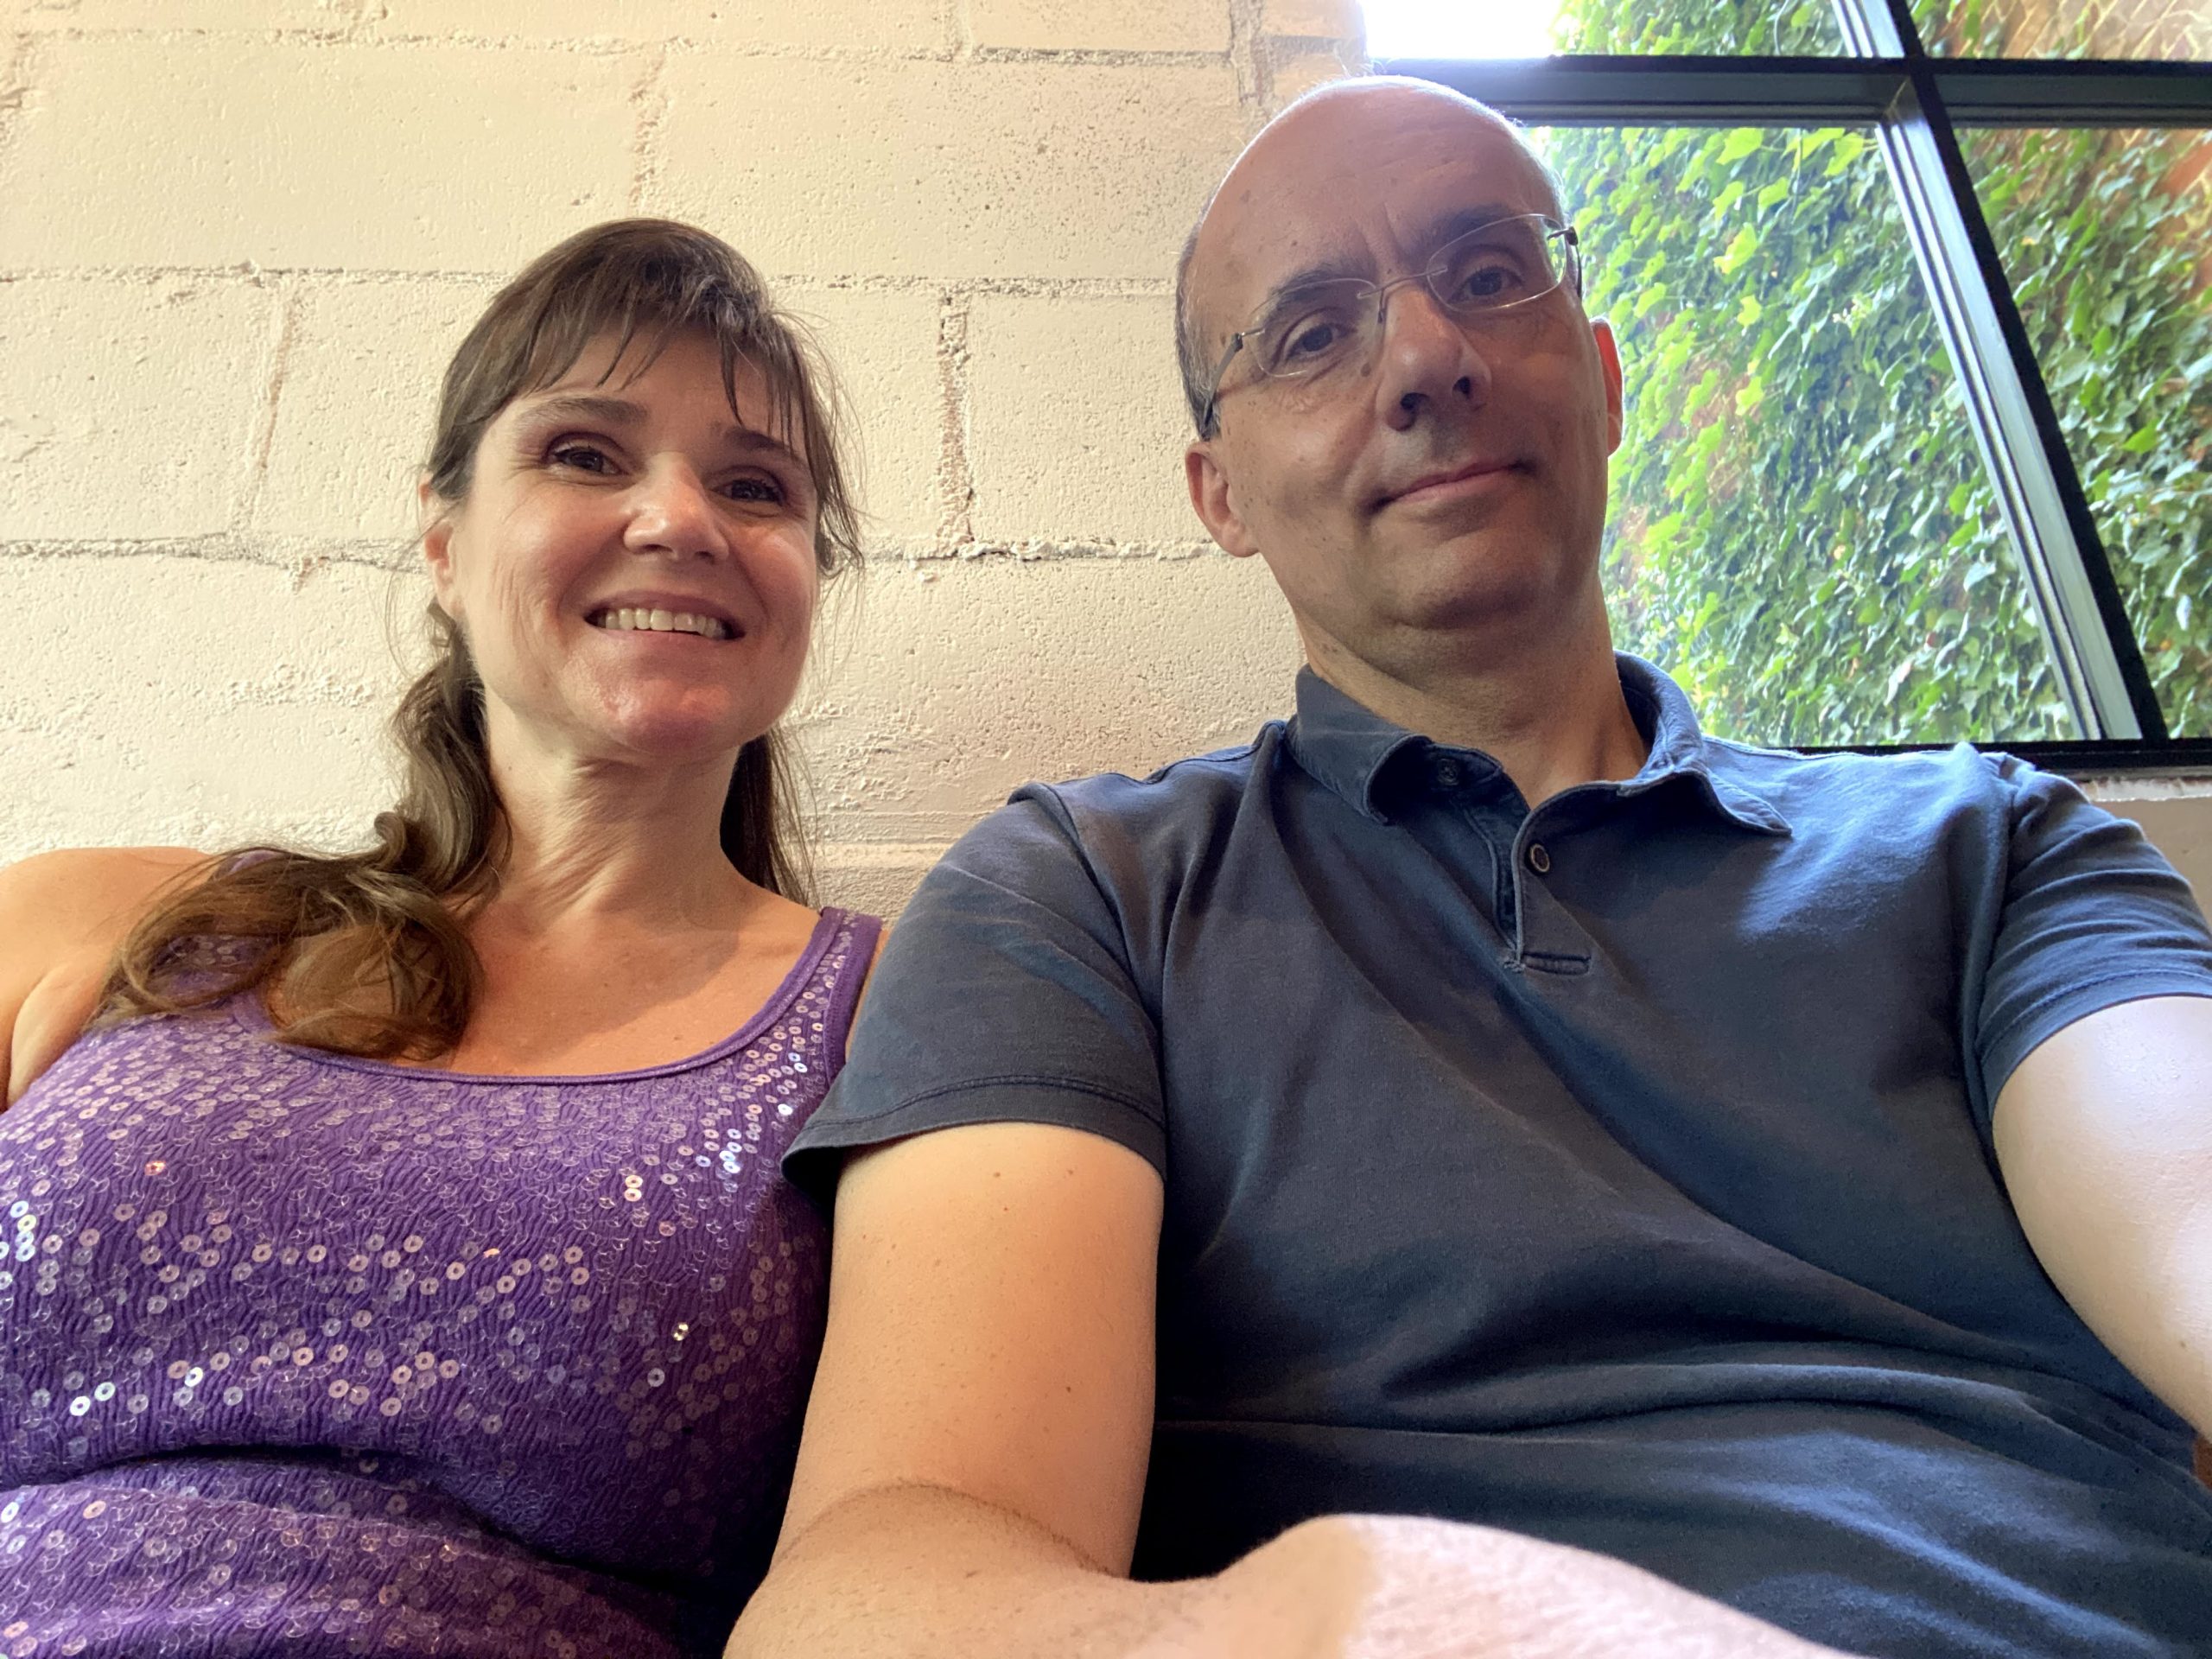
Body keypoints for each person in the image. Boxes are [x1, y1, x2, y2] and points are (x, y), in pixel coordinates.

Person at [728, 79, 2212, 1659]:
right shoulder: (1078, 898)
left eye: (1493, 273)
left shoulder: (1996, 844)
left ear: (1605, 378)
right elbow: (882, 1586)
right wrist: (1352, 1626)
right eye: (1312, 333)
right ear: (1220, 494)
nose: (1428, 358)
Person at [0, 219, 881, 1656]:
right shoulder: (100, 927)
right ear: (444, 543)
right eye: (585, 454)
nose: (681, 519)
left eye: (754, 485)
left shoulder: (896, 1016)